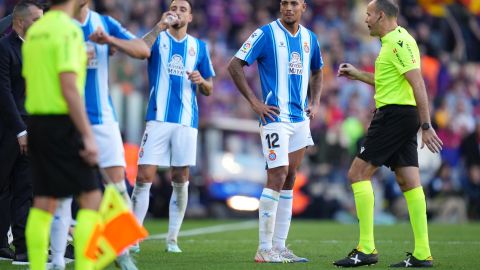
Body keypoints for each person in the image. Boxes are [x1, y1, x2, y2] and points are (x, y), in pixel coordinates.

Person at [333, 0, 443, 267]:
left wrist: (426, 126)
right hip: (403, 115)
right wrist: (359, 75)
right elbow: (390, 80)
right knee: (409, 181)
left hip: (394, 116)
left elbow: (418, 84)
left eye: (369, 14)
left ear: (381, 15)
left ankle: (366, 248)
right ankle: (422, 253)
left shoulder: (396, 43)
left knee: (357, 174)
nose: (366, 19)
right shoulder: (400, 39)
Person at [46, 1, 150, 269]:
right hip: (66, 119)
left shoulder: (104, 24)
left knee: (117, 189)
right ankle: (57, 259)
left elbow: (142, 50)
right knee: (63, 192)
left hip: (103, 120)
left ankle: (122, 252)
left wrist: (109, 40)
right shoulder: (57, 23)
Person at [228, 0, 323, 263]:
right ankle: (263, 248)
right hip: (274, 118)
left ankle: (280, 247)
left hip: (299, 119)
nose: (288, 8)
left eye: (293, 3)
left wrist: (315, 102)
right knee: (277, 174)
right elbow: (234, 65)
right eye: (284, 3)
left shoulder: (310, 39)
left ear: (303, 6)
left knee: (291, 177)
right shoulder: (265, 33)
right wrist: (254, 102)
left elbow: (317, 71)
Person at [22, 0, 102, 269]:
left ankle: (37, 265)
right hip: (62, 123)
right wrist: (87, 134)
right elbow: (69, 87)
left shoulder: (35, 32)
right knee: (92, 197)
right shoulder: (67, 31)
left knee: (44, 200)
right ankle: (85, 266)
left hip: (36, 122)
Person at [131, 0, 214, 253]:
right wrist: (158, 26)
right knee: (144, 176)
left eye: (182, 9)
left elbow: (209, 88)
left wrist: (201, 81)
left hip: (186, 122)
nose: (176, 12)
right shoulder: (158, 39)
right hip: (157, 118)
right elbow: (139, 49)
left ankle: (172, 238)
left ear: (190, 17)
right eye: (173, 8)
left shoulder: (198, 47)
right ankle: (133, 237)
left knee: (180, 177)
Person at [0, 0, 42, 265]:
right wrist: (19, 130)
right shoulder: (4, 48)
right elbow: (3, 93)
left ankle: (23, 248)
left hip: (32, 127)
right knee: (3, 186)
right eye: (37, 19)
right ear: (19, 22)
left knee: (25, 187)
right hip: (8, 127)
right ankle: (2, 244)